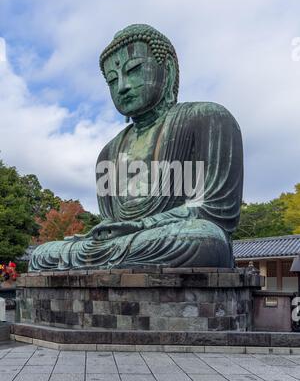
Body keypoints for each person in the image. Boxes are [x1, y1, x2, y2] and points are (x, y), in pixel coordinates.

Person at [29, 24, 243, 271]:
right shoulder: (108, 152)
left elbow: (215, 210)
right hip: (130, 243)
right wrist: (102, 234)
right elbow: (111, 222)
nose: (122, 86)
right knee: (42, 254)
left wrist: (141, 226)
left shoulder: (209, 118)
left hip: (179, 236)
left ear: (168, 70)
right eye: (112, 80)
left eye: (134, 70)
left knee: (204, 239)